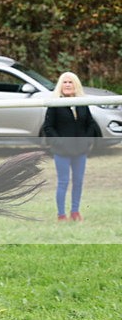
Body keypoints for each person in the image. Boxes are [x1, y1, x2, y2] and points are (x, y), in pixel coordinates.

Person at [43, 72, 100, 222]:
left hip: (80, 150)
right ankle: (61, 215)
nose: (67, 85)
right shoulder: (55, 104)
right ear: (60, 85)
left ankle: (75, 212)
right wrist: (60, 142)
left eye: (70, 82)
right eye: (64, 82)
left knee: (78, 181)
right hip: (62, 151)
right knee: (63, 182)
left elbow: (91, 124)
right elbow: (48, 127)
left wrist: (87, 140)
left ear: (76, 85)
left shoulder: (82, 104)